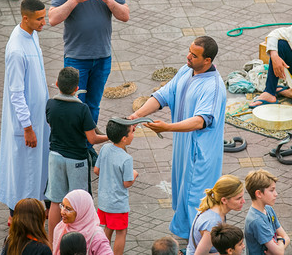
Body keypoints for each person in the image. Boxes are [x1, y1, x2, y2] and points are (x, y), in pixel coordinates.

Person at [130, 36, 227, 238]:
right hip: (183, 151)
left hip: (199, 156)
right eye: (189, 51)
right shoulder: (186, 70)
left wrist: (167, 127)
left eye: (194, 55)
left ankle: (202, 246)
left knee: (196, 201)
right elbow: (163, 95)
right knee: (183, 196)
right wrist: (137, 115)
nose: (188, 56)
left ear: (207, 60)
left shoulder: (213, 87)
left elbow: (201, 121)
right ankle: (191, 241)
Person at [48, 0, 130, 141]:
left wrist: (109, 0)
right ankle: (76, 141)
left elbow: (125, 15)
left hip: (102, 58)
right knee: (76, 104)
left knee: (93, 104)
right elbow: (52, 18)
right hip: (76, 59)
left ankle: (87, 143)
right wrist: (74, 0)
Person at [0, 0, 51, 224]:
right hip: (27, 124)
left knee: (35, 169)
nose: (44, 23)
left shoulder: (32, 34)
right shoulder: (17, 50)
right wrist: (27, 126)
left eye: (44, 17)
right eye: (39, 19)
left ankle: (32, 211)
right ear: (25, 18)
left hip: (38, 119)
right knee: (23, 172)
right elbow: (16, 92)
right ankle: (16, 216)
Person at [46, 67, 109, 242]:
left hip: (55, 156)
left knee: (55, 201)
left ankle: (53, 243)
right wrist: (110, 136)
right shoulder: (82, 109)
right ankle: (80, 242)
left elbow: (52, 126)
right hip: (77, 160)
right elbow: (92, 138)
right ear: (76, 88)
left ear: (57, 84)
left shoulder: (50, 104)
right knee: (78, 204)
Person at [94, 118, 139, 255]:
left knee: (108, 227)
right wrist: (135, 174)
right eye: (132, 132)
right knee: (121, 232)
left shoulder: (105, 148)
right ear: (124, 139)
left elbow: (97, 170)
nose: (133, 134)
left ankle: (102, 252)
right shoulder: (126, 158)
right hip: (118, 204)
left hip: (103, 201)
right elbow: (127, 182)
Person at [186, 175, 245, 254]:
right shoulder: (212, 223)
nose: (243, 201)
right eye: (239, 198)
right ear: (224, 200)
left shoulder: (213, 208)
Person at [53, 189, 113, 255]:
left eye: (68, 209)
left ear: (81, 211)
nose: (62, 212)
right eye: (62, 206)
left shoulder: (97, 237)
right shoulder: (60, 228)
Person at [244, 169, 290, 255]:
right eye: (271, 190)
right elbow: (279, 251)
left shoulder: (268, 209)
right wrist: (280, 240)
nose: (276, 194)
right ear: (258, 194)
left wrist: (279, 247)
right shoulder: (257, 221)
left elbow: (287, 238)